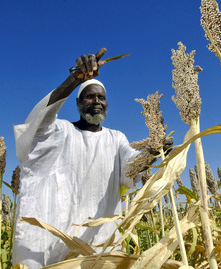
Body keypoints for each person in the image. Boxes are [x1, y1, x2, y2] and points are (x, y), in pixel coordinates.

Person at [12, 49, 153, 268]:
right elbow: (39, 124)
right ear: (78, 103)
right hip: (56, 243)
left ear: (107, 104)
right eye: (90, 96)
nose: (97, 101)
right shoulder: (61, 131)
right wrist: (74, 79)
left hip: (100, 243)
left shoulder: (116, 138)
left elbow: (131, 168)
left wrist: (150, 154)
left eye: (101, 98)